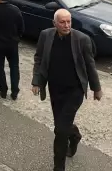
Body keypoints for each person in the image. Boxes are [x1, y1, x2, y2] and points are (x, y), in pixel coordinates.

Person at [31, 9, 102, 171]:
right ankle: (74, 135)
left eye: (69, 21)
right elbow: (39, 58)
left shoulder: (82, 40)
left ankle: (59, 167)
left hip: (74, 91)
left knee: (60, 130)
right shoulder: (46, 35)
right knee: (62, 124)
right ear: (54, 23)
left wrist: (96, 88)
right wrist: (37, 82)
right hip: (55, 89)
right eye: (62, 22)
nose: (66, 25)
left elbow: (90, 65)